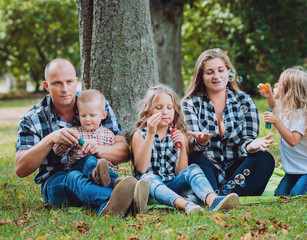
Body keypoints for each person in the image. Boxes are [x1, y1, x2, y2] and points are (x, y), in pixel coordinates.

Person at [15, 58, 148, 216]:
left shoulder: (94, 105)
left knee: (89, 161)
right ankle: (123, 201)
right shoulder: (32, 119)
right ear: (46, 86)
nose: (65, 89)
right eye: (57, 83)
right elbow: (20, 169)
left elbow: (124, 153)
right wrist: (51, 139)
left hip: (94, 176)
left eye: (69, 82)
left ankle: (116, 201)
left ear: (76, 81)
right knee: (74, 176)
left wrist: (98, 149)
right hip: (56, 183)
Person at [131, 84, 239, 215]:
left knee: (193, 168)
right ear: (149, 112)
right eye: (159, 108)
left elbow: (181, 172)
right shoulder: (140, 135)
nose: (165, 112)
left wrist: (182, 148)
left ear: (175, 110)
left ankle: (214, 201)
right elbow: (142, 168)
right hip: (150, 191)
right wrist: (150, 134)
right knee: (148, 177)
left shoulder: (179, 135)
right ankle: (187, 204)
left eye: (169, 107)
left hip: (172, 186)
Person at [182, 48, 275, 196]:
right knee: (196, 161)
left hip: (238, 168)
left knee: (264, 159)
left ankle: (215, 196)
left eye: (221, 70)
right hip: (207, 164)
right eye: (210, 72)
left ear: (228, 72)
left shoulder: (244, 101)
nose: (216, 76)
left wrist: (252, 145)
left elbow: (247, 141)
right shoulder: (191, 104)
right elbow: (191, 146)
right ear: (201, 76)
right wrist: (201, 142)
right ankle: (222, 195)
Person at [258, 67, 307, 196]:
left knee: (297, 195)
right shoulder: (287, 107)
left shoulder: (301, 115)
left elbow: (293, 140)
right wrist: (269, 96)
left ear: (290, 91)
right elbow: (274, 106)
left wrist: (277, 121)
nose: (275, 84)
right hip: (294, 170)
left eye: (279, 84)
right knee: (280, 194)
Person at [52, 89, 119, 187]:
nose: (87, 119)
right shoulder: (74, 132)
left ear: (103, 115)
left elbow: (112, 161)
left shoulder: (109, 135)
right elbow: (58, 152)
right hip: (79, 170)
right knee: (90, 160)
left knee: (101, 163)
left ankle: (116, 182)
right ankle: (113, 183)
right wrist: (66, 142)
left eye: (92, 115)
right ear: (78, 115)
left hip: (103, 174)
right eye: (83, 115)